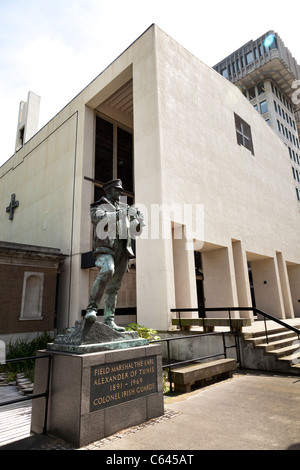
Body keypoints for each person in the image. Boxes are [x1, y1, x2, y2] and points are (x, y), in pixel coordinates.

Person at [85, 179, 144, 331]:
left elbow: (135, 230)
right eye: (117, 190)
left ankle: (109, 320)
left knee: (114, 287)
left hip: (123, 249)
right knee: (107, 270)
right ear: (109, 191)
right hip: (106, 248)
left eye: (120, 190)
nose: (120, 193)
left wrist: (138, 219)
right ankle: (91, 309)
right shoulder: (98, 205)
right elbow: (98, 219)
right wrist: (120, 214)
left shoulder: (124, 208)